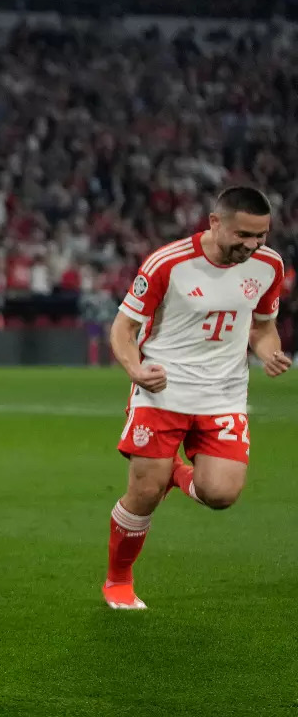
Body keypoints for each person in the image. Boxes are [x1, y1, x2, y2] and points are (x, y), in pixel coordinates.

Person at [105, 186, 290, 610]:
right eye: (243, 235)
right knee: (144, 493)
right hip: (163, 391)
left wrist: (270, 354)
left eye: (260, 235)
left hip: (223, 395)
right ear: (214, 222)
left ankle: (175, 472)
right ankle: (118, 580)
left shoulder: (269, 265)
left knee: (221, 494)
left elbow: (262, 327)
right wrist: (134, 370)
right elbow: (123, 329)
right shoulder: (168, 263)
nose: (252, 245)